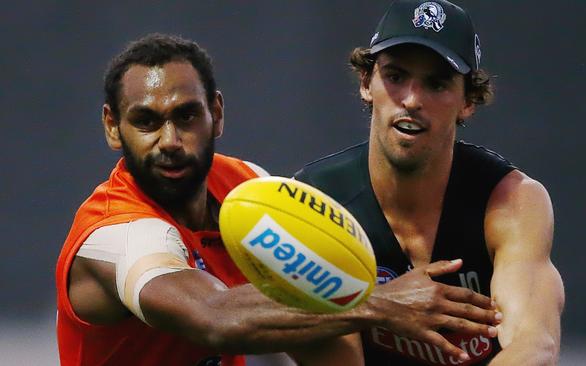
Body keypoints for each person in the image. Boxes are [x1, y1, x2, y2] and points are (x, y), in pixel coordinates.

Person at [55, 33, 501, 366]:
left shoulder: (248, 188)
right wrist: (381, 305)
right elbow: (214, 318)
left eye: (187, 116)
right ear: (114, 128)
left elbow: (307, 327)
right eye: (146, 122)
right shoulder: (118, 233)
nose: (169, 140)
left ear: (217, 114)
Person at [294, 1, 565, 365]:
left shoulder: (512, 201)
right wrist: (378, 306)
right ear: (365, 83)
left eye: (436, 84)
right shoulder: (315, 201)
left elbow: (534, 345)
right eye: (395, 76)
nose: (411, 100)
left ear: (468, 100)